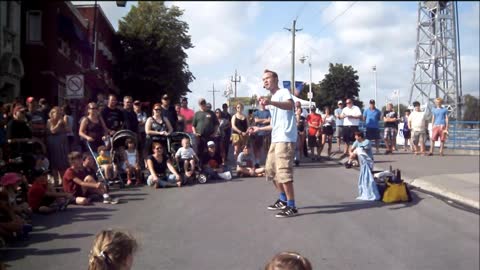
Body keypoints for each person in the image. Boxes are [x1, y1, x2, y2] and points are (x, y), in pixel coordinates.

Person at [251, 69, 298, 218]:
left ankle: (292, 206)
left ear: (276, 79)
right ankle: (283, 200)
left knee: (283, 172)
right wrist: (258, 128)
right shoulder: (273, 98)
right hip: (276, 138)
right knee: (270, 171)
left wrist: (270, 102)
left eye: (267, 78)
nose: (265, 81)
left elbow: (290, 106)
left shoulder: (283, 92)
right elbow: (275, 124)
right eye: (263, 79)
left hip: (285, 138)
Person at [253, 102, 271, 167]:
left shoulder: (268, 112)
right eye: (261, 104)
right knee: (258, 148)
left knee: (267, 148)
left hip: (267, 132)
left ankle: (268, 162)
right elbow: (256, 120)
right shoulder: (256, 112)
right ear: (259, 104)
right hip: (258, 133)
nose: (262, 105)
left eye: (263, 104)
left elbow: (269, 120)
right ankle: (257, 162)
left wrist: (261, 120)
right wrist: (265, 120)